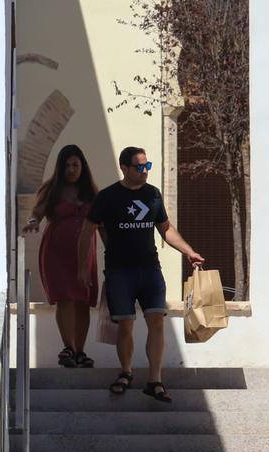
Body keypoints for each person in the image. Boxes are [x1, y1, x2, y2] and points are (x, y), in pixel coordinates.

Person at [78, 146, 203, 403]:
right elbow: (86, 232)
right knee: (126, 325)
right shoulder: (107, 197)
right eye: (139, 167)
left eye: (148, 166)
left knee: (156, 321)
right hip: (119, 272)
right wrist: (82, 268)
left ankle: (155, 380)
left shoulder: (152, 195)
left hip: (150, 270)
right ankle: (126, 372)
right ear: (124, 168)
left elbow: (166, 229)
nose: (145, 171)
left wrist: (188, 251)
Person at [23, 144, 100, 368]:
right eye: (66, 166)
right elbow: (36, 213)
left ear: (82, 166)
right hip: (56, 253)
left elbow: (103, 224)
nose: (71, 170)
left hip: (85, 255)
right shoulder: (52, 189)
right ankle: (68, 347)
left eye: (75, 165)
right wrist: (33, 222)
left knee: (83, 301)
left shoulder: (93, 193)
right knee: (65, 298)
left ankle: (79, 351)